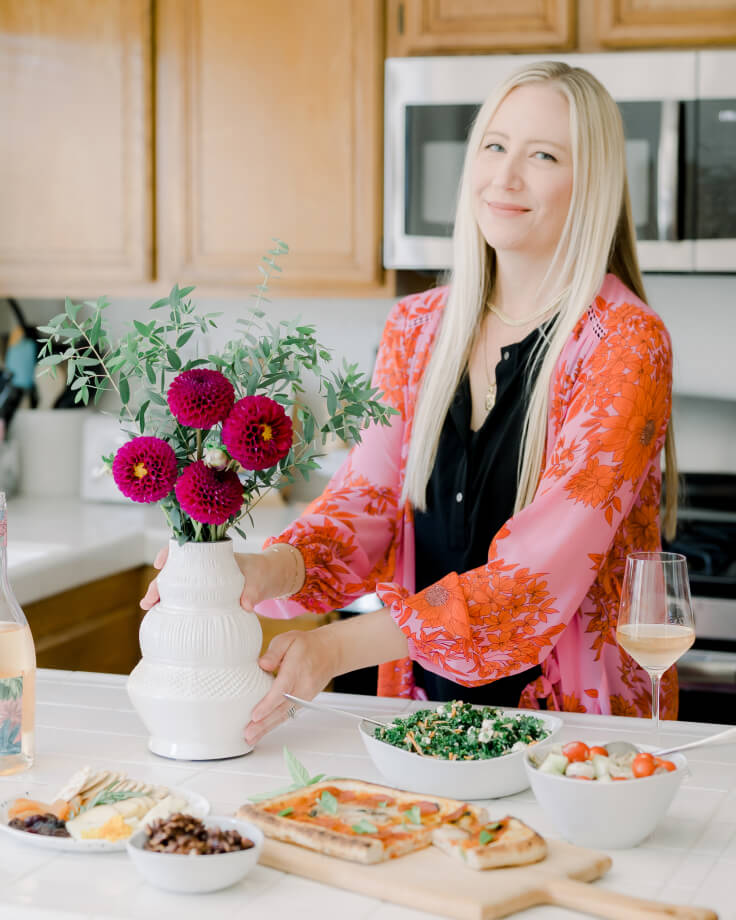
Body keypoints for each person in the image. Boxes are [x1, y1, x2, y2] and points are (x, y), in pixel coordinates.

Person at [142, 60, 680, 745]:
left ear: (591, 184)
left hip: (580, 739)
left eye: (542, 155)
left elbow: (535, 580)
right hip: (422, 719)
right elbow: (363, 508)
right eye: (494, 145)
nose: (505, 177)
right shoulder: (417, 328)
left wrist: (335, 648)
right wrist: (256, 569)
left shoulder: (624, 343)